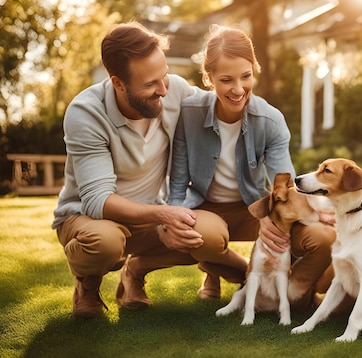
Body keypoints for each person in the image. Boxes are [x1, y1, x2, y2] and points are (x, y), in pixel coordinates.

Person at [52, 22, 245, 318]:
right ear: (118, 83)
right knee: (105, 243)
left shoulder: (174, 91)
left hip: (149, 217)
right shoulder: (86, 113)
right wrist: (163, 215)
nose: (164, 90)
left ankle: (134, 273)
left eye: (165, 76)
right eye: (150, 84)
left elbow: (225, 106)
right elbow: (97, 200)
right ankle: (87, 284)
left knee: (206, 233)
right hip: (88, 219)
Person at [167, 24, 335, 308]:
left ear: (254, 68)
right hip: (204, 207)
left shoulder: (270, 120)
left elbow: (285, 181)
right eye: (225, 80)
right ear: (209, 78)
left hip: (252, 205)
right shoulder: (190, 113)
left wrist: (311, 212)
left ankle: (296, 293)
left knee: (321, 237)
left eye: (246, 76)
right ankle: (222, 273)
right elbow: (178, 181)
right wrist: (173, 216)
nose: (237, 89)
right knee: (202, 236)